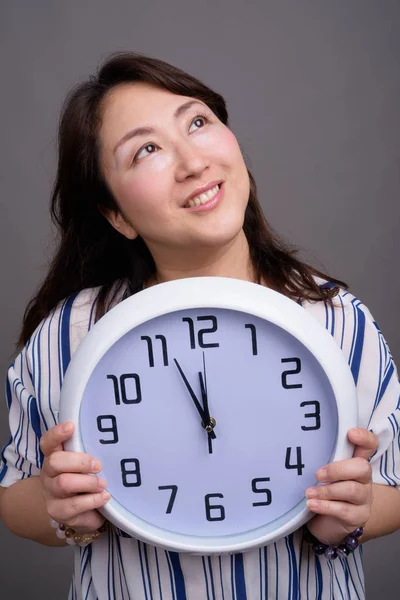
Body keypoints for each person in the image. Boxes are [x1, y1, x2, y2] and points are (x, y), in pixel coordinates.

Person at [0, 51, 399, 600]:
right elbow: (14, 490)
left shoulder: (337, 319)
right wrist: (59, 507)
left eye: (197, 122)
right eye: (146, 150)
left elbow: (393, 483)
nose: (192, 162)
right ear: (115, 213)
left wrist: (354, 513)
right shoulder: (68, 336)